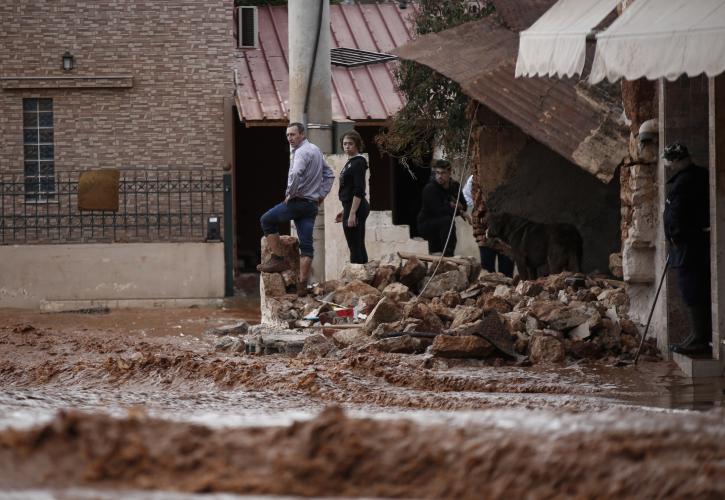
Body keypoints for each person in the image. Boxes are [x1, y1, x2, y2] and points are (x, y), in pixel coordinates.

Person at [257, 122, 335, 296]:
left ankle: (278, 259)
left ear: (302, 135)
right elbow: (329, 175)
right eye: (287, 135)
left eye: (293, 135)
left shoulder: (301, 152)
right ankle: (302, 286)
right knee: (307, 247)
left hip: (298, 202)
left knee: (266, 220)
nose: (289, 138)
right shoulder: (315, 150)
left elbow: (296, 174)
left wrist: (290, 194)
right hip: (311, 206)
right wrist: (320, 196)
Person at [662, 142, 711, 355]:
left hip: (688, 245)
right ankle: (696, 335)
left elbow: (681, 214)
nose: (669, 166)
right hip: (687, 244)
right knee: (691, 289)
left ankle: (700, 338)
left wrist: (676, 236)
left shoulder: (687, 180)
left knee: (691, 289)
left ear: (676, 160)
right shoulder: (691, 177)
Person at [463, 174, 513, 277]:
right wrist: (478, 208)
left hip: (506, 229)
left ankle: (506, 291)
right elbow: (466, 197)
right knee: (487, 269)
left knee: (506, 268)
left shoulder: (507, 174)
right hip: (483, 229)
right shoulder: (474, 178)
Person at [417, 159, 470, 257]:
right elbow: (438, 211)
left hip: (443, 222)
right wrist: (455, 208)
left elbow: (464, 206)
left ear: (449, 173)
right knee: (446, 220)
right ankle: (447, 255)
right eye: (437, 173)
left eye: (443, 173)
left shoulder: (455, 186)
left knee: (447, 220)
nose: (439, 176)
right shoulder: (430, 189)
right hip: (427, 224)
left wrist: (457, 208)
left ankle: (449, 254)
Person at [335, 130, 370, 264]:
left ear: (357, 145)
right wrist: (345, 210)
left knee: (354, 246)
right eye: (344, 144)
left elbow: (358, 190)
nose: (347, 146)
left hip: (356, 208)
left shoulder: (358, 162)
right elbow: (348, 189)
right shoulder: (351, 162)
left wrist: (352, 213)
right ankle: (362, 277)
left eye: (350, 143)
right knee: (358, 244)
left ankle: (357, 279)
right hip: (350, 206)